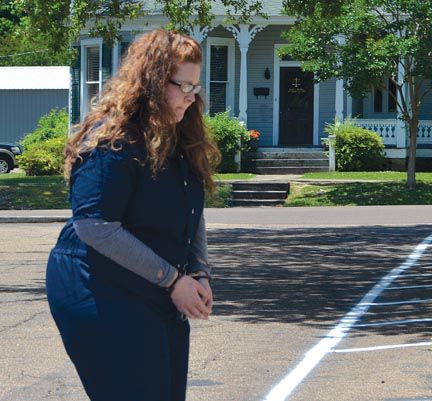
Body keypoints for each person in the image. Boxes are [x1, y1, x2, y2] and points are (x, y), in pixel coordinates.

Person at [45, 29, 220, 401]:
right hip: (96, 284)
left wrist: (198, 271)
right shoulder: (113, 140)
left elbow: (192, 212)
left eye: (195, 87)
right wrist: (173, 281)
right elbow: (95, 225)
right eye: (183, 86)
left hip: (153, 285)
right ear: (152, 83)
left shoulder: (179, 137)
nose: (191, 97)